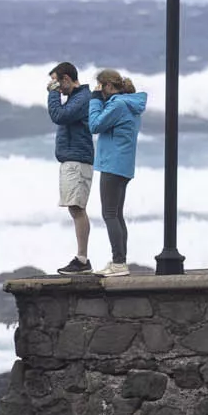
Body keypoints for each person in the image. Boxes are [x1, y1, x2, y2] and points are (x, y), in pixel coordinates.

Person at [87, 68, 148, 275]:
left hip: (112, 165)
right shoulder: (129, 104)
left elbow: (95, 125)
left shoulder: (118, 105)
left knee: (109, 214)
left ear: (108, 86)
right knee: (117, 215)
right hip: (123, 165)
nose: (99, 90)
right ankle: (119, 261)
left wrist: (95, 99)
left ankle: (119, 263)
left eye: (100, 87)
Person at [46, 63, 94, 275]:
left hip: (77, 160)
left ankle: (82, 259)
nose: (54, 86)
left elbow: (59, 116)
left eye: (56, 82)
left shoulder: (82, 98)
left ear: (66, 79)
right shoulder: (76, 98)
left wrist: (53, 93)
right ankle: (81, 259)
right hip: (72, 160)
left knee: (77, 208)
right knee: (74, 208)